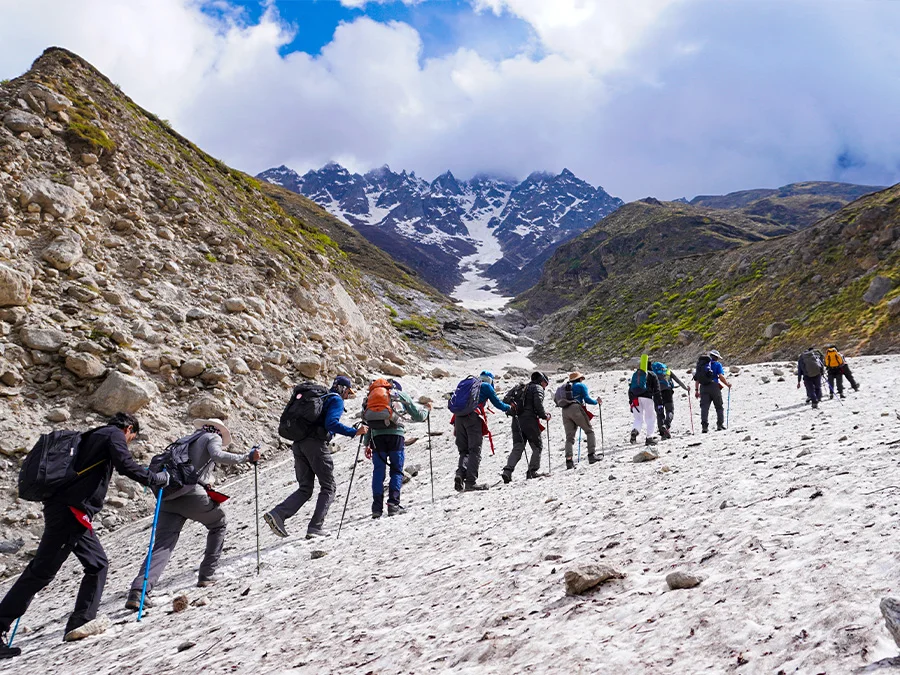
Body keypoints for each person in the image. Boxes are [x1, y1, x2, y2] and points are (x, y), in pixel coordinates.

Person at [0, 413, 167, 657]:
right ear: (129, 429)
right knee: (41, 572)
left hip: (70, 510)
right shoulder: (113, 435)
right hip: (71, 511)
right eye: (131, 438)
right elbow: (124, 464)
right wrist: (154, 479)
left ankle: (81, 622)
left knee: (96, 563)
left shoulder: (93, 434)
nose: (129, 441)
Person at [124, 419, 261, 610]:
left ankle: (139, 591)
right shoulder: (212, 437)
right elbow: (217, 455)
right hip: (191, 494)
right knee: (218, 523)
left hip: (168, 497)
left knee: (162, 545)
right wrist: (246, 457)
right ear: (219, 432)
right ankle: (206, 575)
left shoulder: (185, 440)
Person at [265, 376, 367, 539]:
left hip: (299, 444)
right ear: (343, 389)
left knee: (305, 488)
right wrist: (354, 432)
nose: (347, 396)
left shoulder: (320, 398)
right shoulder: (336, 400)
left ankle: (278, 514)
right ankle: (315, 527)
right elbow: (331, 424)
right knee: (328, 487)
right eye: (348, 392)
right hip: (315, 445)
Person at [363, 379, 430, 518]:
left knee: (378, 472)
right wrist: (427, 411)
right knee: (396, 470)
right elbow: (418, 416)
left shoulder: (370, 397)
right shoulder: (400, 395)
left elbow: (366, 423)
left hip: (376, 439)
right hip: (396, 436)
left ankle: (376, 508)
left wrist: (366, 443)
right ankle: (393, 504)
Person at [454, 370, 510, 492]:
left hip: (458, 418)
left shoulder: (468, 384)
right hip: (473, 418)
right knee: (474, 450)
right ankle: (470, 482)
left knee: (464, 450)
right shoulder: (486, 386)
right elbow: (498, 404)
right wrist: (509, 408)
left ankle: (460, 473)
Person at [502, 372, 551, 483]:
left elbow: (505, 400)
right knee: (537, 446)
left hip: (516, 420)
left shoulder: (520, 388)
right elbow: (538, 404)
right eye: (546, 384)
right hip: (530, 421)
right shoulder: (537, 388)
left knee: (518, 447)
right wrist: (544, 416)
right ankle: (532, 471)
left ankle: (507, 471)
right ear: (542, 381)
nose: (545, 386)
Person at [560, 372, 602, 469]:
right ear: (579, 379)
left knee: (569, 437)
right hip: (576, 408)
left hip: (565, 410)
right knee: (589, 431)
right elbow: (587, 399)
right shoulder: (581, 385)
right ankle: (591, 455)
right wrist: (596, 402)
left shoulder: (565, 387)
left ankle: (569, 461)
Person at [694, 349, 732, 432]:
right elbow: (720, 376)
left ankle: (704, 427)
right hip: (714, 386)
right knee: (719, 406)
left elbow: (697, 379)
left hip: (703, 387)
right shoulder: (717, 364)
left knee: (704, 408)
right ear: (716, 357)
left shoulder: (701, 365)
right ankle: (720, 425)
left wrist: (696, 391)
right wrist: (727, 384)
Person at [651, 361, 688, 439]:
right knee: (669, 410)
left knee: (659, 413)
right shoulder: (667, 371)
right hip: (667, 392)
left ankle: (662, 432)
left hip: (657, 393)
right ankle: (666, 425)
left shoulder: (652, 373)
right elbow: (677, 380)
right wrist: (686, 388)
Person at [629, 356, 660, 446]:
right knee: (650, 418)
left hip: (635, 398)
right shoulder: (652, 374)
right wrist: (659, 403)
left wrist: (630, 402)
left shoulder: (636, 374)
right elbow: (657, 390)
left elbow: (630, 389)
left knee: (638, 418)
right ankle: (649, 437)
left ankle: (635, 430)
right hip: (647, 398)